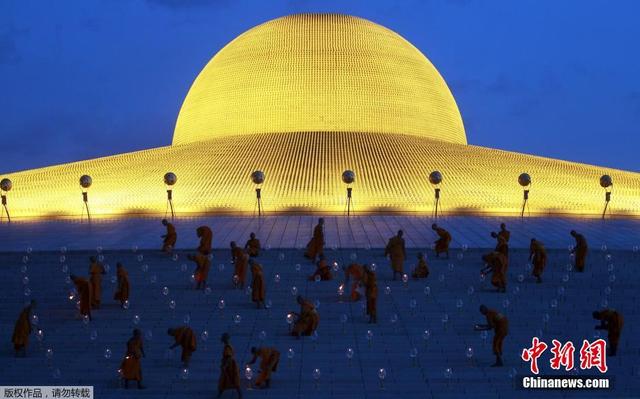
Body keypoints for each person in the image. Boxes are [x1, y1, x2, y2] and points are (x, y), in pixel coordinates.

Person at [217, 333, 242, 399]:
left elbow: (229, 357)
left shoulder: (227, 347)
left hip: (230, 366)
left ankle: (240, 395)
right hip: (230, 365)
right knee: (226, 380)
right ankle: (219, 394)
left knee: (231, 379)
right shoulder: (228, 346)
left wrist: (225, 366)